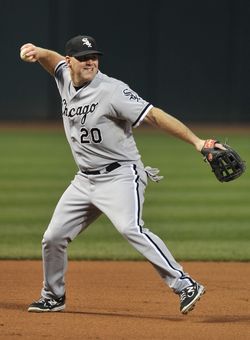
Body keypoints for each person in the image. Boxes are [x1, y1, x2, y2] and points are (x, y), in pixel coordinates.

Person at [20, 34, 210, 315]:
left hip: (121, 175)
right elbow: (51, 60)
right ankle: (53, 296)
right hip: (84, 180)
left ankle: (184, 283)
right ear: (70, 60)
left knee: (130, 227)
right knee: (53, 237)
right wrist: (36, 51)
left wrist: (198, 142)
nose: (90, 62)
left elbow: (154, 116)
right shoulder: (64, 75)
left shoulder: (112, 90)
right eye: (83, 58)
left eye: (94, 57)